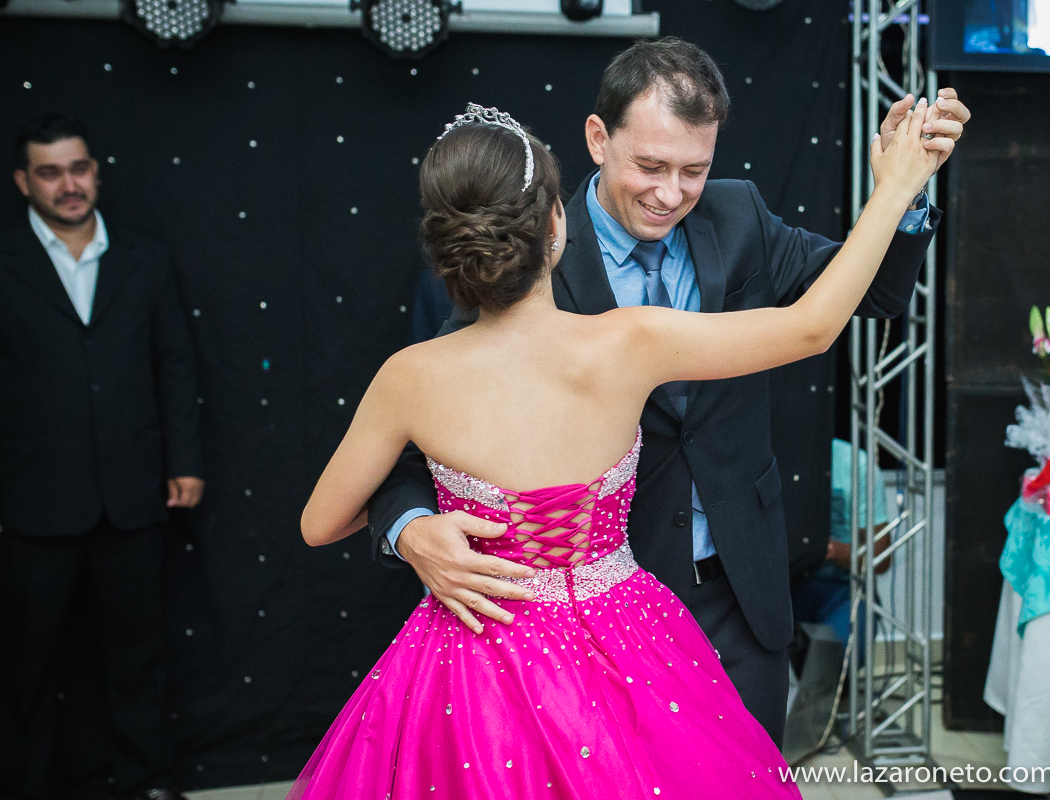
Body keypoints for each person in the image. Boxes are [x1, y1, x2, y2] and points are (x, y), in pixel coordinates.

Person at [291, 93, 939, 798]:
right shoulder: (631, 341)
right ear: (555, 222)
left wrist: (414, 528)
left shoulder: (409, 376)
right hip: (623, 637)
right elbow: (813, 326)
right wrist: (896, 185)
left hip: (472, 657)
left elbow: (320, 523)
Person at [0, 113, 202, 800]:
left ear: (96, 172)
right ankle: (25, 787)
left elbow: (174, 364)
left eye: (78, 168)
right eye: (50, 172)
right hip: (28, 498)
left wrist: (185, 460)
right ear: (23, 181)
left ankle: (149, 783)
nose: (68, 184)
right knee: (26, 664)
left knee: (139, 657)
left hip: (133, 493)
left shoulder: (146, 258)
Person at [792, 439, 893, 650]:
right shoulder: (762, 456)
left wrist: (836, 551)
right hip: (780, 587)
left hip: (841, 588)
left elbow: (882, 559)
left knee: (833, 652)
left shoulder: (856, 463)